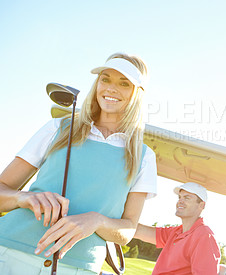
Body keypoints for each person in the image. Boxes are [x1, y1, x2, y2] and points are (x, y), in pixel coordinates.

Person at [0, 53, 157, 274]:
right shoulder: (58, 128)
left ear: (137, 93)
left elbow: (128, 229)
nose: (111, 88)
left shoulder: (144, 157)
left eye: (124, 83)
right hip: (9, 249)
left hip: (77, 267)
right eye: (105, 79)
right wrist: (22, 197)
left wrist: (98, 221)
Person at [134, 182, 221, 275]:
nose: (180, 201)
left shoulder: (204, 236)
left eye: (187, 198)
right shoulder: (175, 232)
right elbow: (138, 230)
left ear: (201, 205)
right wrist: (121, 222)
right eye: (180, 197)